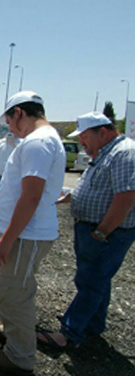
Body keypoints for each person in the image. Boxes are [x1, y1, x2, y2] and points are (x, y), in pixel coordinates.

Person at [0, 91, 65, 374]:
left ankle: (19, 356)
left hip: (27, 236)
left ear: (19, 113)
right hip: (27, 234)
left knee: (16, 293)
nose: (9, 128)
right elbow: (25, 192)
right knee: (13, 289)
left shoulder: (38, 142)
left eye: (9, 122)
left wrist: (5, 240)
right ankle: (12, 331)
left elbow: (31, 197)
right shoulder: (44, 139)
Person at [36, 111, 135, 350]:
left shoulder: (126, 153)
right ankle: (93, 323)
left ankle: (69, 333)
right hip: (92, 229)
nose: (81, 142)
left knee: (91, 281)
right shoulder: (104, 152)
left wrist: (103, 231)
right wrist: (68, 197)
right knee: (96, 279)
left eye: (84, 137)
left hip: (108, 233)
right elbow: (96, 188)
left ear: (103, 132)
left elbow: (126, 196)